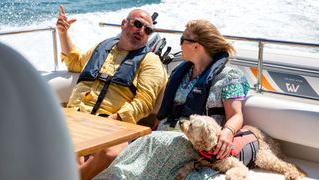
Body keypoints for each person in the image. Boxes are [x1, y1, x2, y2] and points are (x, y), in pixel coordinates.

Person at [95, 19, 250, 179]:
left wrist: (227, 133)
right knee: (121, 151)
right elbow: (166, 112)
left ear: (196, 46)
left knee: (141, 155)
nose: (180, 44)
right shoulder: (180, 72)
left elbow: (236, 115)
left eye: (183, 40)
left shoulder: (229, 77)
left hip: (192, 142)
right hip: (162, 136)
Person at [56, 5, 168, 180]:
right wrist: (63, 33)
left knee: (111, 152)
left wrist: (113, 120)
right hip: (75, 116)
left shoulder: (150, 62)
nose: (141, 31)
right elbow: (74, 62)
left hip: (110, 123)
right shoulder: (102, 47)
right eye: (137, 24)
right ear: (123, 24)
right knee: (65, 145)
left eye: (147, 29)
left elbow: (145, 103)